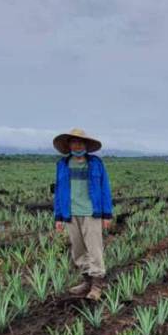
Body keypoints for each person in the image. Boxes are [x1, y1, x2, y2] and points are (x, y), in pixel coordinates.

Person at [52, 128, 113, 300]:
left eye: (80, 142)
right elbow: (59, 191)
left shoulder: (95, 163)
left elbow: (105, 188)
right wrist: (58, 217)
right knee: (78, 250)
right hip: (70, 213)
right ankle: (86, 281)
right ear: (69, 145)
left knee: (94, 248)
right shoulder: (62, 165)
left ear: (85, 144)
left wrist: (107, 214)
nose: (77, 145)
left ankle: (97, 286)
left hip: (91, 213)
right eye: (74, 142)